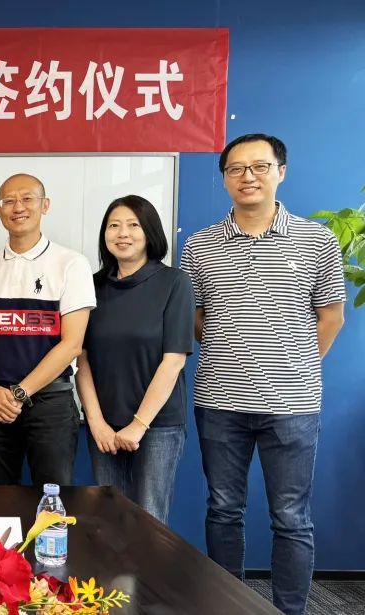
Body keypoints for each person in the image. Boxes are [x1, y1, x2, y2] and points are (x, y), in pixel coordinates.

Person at [181, 134, 345, 615]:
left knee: (291, 517)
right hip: (219, 401)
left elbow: (331, 317)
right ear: (224, 179)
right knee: (223, 509)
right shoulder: (200, 245)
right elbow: (195, 318)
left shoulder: (317, 240)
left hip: (292, 406)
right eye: (235, 168)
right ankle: (225, 606)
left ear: (281, 172)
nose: (247, 176)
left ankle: (290, 610)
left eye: (259, 166)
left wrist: (293, 364)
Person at [74, 195, 194, 524]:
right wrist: (96, 423)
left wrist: (138, 426)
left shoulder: (174, 282)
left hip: (157, 426)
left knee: (149, 520)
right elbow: (81, 359)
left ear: (149, 232)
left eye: (133, 225)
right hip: (104, 425)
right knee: (108, 518)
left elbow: (173, 361)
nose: (122, 233)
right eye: (114, 225)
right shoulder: (91, 286)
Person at [0, 173, 95, 487]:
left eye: (27, 198)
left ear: (45, 205)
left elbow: (72, 344)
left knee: (52, 500)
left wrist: (19, 393)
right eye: (8, 201)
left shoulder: (71, 263)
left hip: (50, 403)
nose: (18, 207)